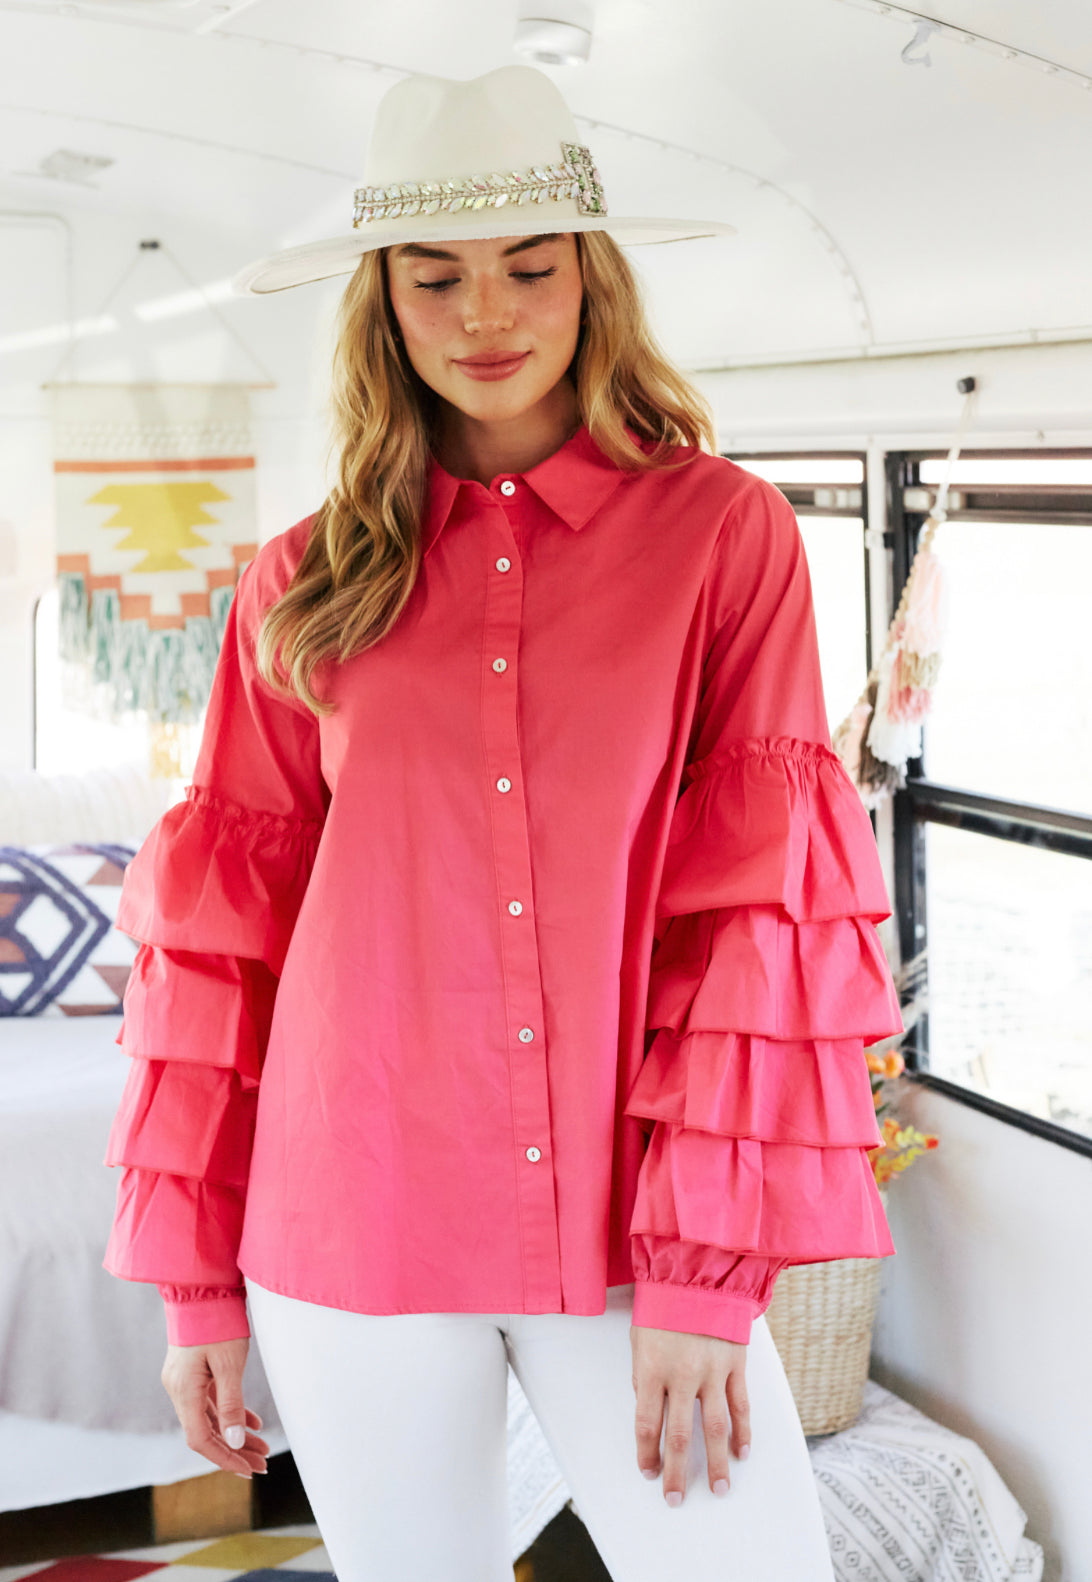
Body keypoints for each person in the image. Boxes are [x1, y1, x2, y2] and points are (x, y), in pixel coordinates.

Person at [102, 64, 904, 1581]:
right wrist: (198, 1289)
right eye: (439, 275)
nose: (488, 313)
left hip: (626, 1233)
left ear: (592, 279)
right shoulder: (296, 582)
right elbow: (221, 952)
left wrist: (702, 1275)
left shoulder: (726, 541)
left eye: (532, 266)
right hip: (350, 1219)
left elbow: (752, 919)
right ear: (383, 299)